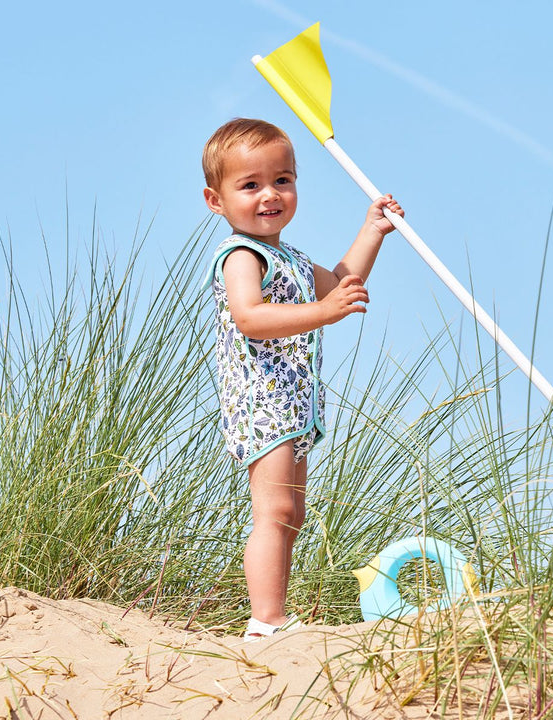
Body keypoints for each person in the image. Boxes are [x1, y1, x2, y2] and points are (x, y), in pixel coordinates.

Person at [200, 118, 403, 640]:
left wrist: (372, 231)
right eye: (250, 185)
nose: (269, 194)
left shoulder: (288, 256)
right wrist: (326, 312)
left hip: (290, 403)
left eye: (282, 180)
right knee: (276, 507)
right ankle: (265, 621)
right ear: (216, 200)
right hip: (259, 399)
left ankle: (273, 613)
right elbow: (250, 316)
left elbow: (338, 283)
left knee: (293, 511)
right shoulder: (242, 255)